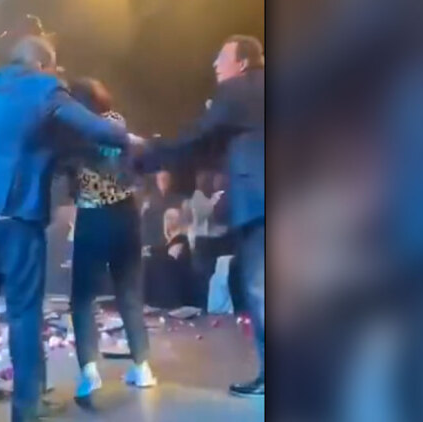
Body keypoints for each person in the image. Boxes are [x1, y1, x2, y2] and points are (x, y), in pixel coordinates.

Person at [0, 36, 139, 421]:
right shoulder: (43, 87)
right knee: (24, 310)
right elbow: (99, 130)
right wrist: (128, 138)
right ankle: (28, 405)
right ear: (44, 64)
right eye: (54, 67)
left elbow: (26, 141)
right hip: (14, 216)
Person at [137, 34, 265, 396]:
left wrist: (148, 153)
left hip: (260, 199)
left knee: (260, 289)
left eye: (221, 58)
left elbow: (196, 137)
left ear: (242, 63)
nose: (215, 65)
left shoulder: (238, 89)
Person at [64, 78, 156, 398]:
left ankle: (89, 372)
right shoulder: (116, 122)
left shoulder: (73, 134)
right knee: (129, 292)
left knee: (82, 298)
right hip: (124, 214)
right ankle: (143, 367)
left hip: (92, 218)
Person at [183, 171, 233, 307]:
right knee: (204, 278)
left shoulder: (219, 197)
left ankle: (210, 305)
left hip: (214, 241)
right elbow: (202, 214)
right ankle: (205, 306)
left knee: (211, 277)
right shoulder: (198, 198)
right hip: (205, 242)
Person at [144, 208, 194, 308]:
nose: (169, 220)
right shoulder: (168, 242)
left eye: (172, 218)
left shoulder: (181, 240)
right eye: (167, 218)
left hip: (176, 284)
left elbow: (171, 259)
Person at [141, 170, 186, 248]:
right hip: (153, 242)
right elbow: (144, 222)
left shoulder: (179, 200)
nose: (163, 181)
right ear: (157, 181)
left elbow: (184, 224)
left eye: (165, 179)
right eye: (160, 179)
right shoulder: (149, 200)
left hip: (173, 243)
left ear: (170, 181)